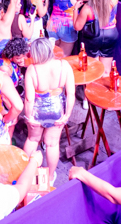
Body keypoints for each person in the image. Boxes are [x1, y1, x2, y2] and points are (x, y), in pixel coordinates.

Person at [21, 38, 75, 181]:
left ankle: (28, 176)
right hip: (57, 110)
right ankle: (50, 177)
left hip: (37, 112)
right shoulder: (64, 65)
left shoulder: (32, 70)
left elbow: (29, 99)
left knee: (32, 140)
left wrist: (28, 117)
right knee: (52, 144)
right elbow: (71, 94)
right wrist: (67, 115)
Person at [73, 0, 120, 72]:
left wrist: (75, 10)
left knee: (93, 69)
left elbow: (77, 27)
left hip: (94, 37)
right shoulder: (112, 1)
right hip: (111, 35)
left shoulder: (88, 9)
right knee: (106, 70)